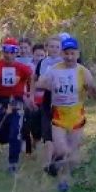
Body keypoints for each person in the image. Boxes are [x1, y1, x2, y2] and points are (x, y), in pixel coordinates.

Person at [36, 37, 96, 192]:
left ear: (77, 54)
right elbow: (39, 83)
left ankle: (61, 177)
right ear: (62, 54)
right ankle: (57, 170)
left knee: (73, 156)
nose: (69, 57)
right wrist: (50, 87)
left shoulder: (83, 71)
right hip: (58, 117)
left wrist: (91, 89)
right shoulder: (55, 69)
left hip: (77, 117)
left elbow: (95, 94)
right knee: (63, 150)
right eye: (66, 53)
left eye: (72, 53)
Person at [0, 37, 34, 174]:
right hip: (1, 102)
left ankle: (13, 163)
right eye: (6, 51)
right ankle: (16, 142)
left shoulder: (22, 68)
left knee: (15, 133)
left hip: (17, 102)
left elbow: (33, 78)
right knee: (0, 137)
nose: (9, 54)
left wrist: (30, 95)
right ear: (2, 51)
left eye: (12, 52)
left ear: (16, 52)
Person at [33, 36, 65, 176]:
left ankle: (57, 161)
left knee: (60, 132)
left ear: (61, 49)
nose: (54, 49)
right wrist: (32, 95)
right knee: (47, 133)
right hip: (47, 100)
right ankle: (47, 164)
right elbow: (37, 81)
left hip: (63, 101)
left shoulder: (65, 62)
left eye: (57, 47)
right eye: (51, 46)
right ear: (46, 47)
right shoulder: (42, 63)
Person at [22, 43, 48, 154]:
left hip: (45, 100)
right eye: (37, 55)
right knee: (29, 124)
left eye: (42, 55)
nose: (39, 58)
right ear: (32, 55)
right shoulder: (28, 67)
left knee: (42, 125)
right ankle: (29, 148)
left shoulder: (48, 66)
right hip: (31, 100)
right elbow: (23, 83)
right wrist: (25, 96)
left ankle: (38, 145)